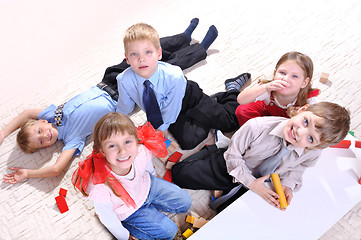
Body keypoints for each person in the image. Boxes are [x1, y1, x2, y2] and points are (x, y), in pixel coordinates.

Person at [0, 19, 212, 184]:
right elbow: (56, 169)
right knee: (158, 69)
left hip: (107, 80)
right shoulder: (71, 140)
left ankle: (183, 38)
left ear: (42, 123)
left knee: (141, 53)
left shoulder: (50, 114)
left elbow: (27, 112)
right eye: (41, 143)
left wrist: (3, 132)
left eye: (38, 131)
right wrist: (28, 172)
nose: (44, 137)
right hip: (122, 95)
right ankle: (200, 49)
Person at [172, 102, 350, 211]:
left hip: (261, 179)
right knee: (180, 175)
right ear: (302, 109)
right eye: (305, 121)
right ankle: (214, 148)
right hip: (231, 164)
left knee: (230, 212)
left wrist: (287, 185)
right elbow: (233, 156)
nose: (300, 132)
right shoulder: (257, 127)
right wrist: (251, 183)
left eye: (310, 138)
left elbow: (300, 167)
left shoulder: (312, 152)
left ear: (316, 146)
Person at [116, 22, 250, 150]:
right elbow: (124, 107)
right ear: (127, 58)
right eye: (134, 54)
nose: (141, 59)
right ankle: (212, 103)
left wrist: (161, 128)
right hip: (164, 110)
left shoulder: (174, 76)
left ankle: (232, 89)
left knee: (230, 122)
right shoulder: (123, 80)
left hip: (188, 97)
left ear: (159, 54)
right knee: (190, 142)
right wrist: (119, 125)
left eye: (148, 52)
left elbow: (171, 110)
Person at [72, 112, 191, 240]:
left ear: (136, 140)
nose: (122, 151)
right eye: (112, 145)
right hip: (128, 210)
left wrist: (156, 181)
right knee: (169, 232)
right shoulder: (100, 184)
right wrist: (124, 236)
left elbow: (147, 167)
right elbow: (107, 217)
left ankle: (152, 205)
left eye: (127, 142)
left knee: (185, 202)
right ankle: (131, 225)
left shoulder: (140, 151)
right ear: (102, 150)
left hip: (147, 186)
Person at [235, 51, 320, 127]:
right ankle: (254, 134)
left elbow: (318, 123)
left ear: (304, 83)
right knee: (242, 110)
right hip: (266, 115)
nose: (285, 79)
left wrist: (303, 115)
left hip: (288, 125)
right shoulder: (268, 89)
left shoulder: (309, 100)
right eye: (282, 73)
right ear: (274, 73)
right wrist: (265, 87)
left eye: (294, 76)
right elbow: (240, 100)